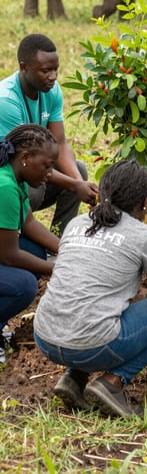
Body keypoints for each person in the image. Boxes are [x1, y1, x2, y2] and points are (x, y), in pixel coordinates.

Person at [33, 160, 147, 418]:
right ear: (145, 203)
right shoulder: (144, 236)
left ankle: (74, 378)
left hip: (45, 337)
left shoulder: (76, 223)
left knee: (101, 303)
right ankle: (113, 383)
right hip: (93, 345)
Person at [0, 34, 98, 233]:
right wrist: (75, 185)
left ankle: (60, 239)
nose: (53, 76)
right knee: (33, 190)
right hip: (10, 178)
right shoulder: (6, 100)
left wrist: (79, 184)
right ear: (24, 67)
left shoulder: (51, 90)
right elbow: (21, 162)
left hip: (33, 168)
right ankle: (15, 234)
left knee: (78, 170)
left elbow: (60, 143)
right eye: (46, 71)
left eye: (55, 70)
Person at [0, 124, 61, 364]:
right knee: (23, 285)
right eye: (47, 166)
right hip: (5, 254)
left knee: (35, 251)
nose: (50, 173)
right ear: (25, 158)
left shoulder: (15, 175)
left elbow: (29, 223)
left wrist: (69, 251)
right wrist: (57, 268)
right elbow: (8, 256)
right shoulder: (4, 187)